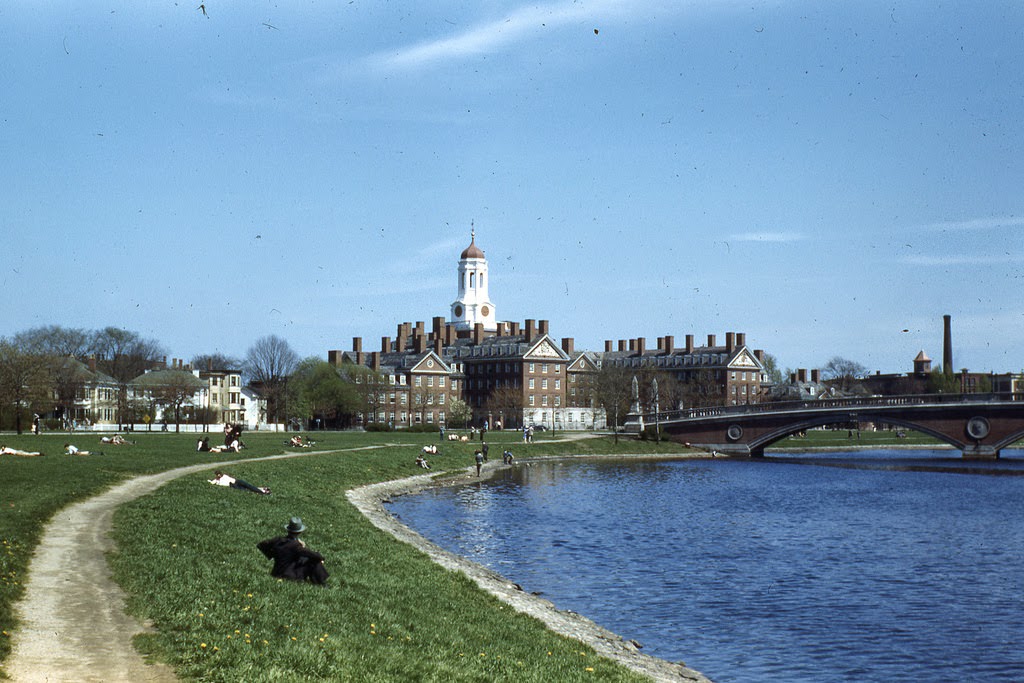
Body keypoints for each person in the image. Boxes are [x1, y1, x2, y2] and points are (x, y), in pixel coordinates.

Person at [257, 517, 328, 585]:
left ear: (288, 530)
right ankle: (321, 583)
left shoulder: (278, 540)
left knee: (305, 558)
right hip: (289, 576)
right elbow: (310, 554)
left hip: (276, 573)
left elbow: (261, 545)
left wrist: (271, 555)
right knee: (314, 560)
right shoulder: (296, 545)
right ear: (300, 532)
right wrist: (321, 558)